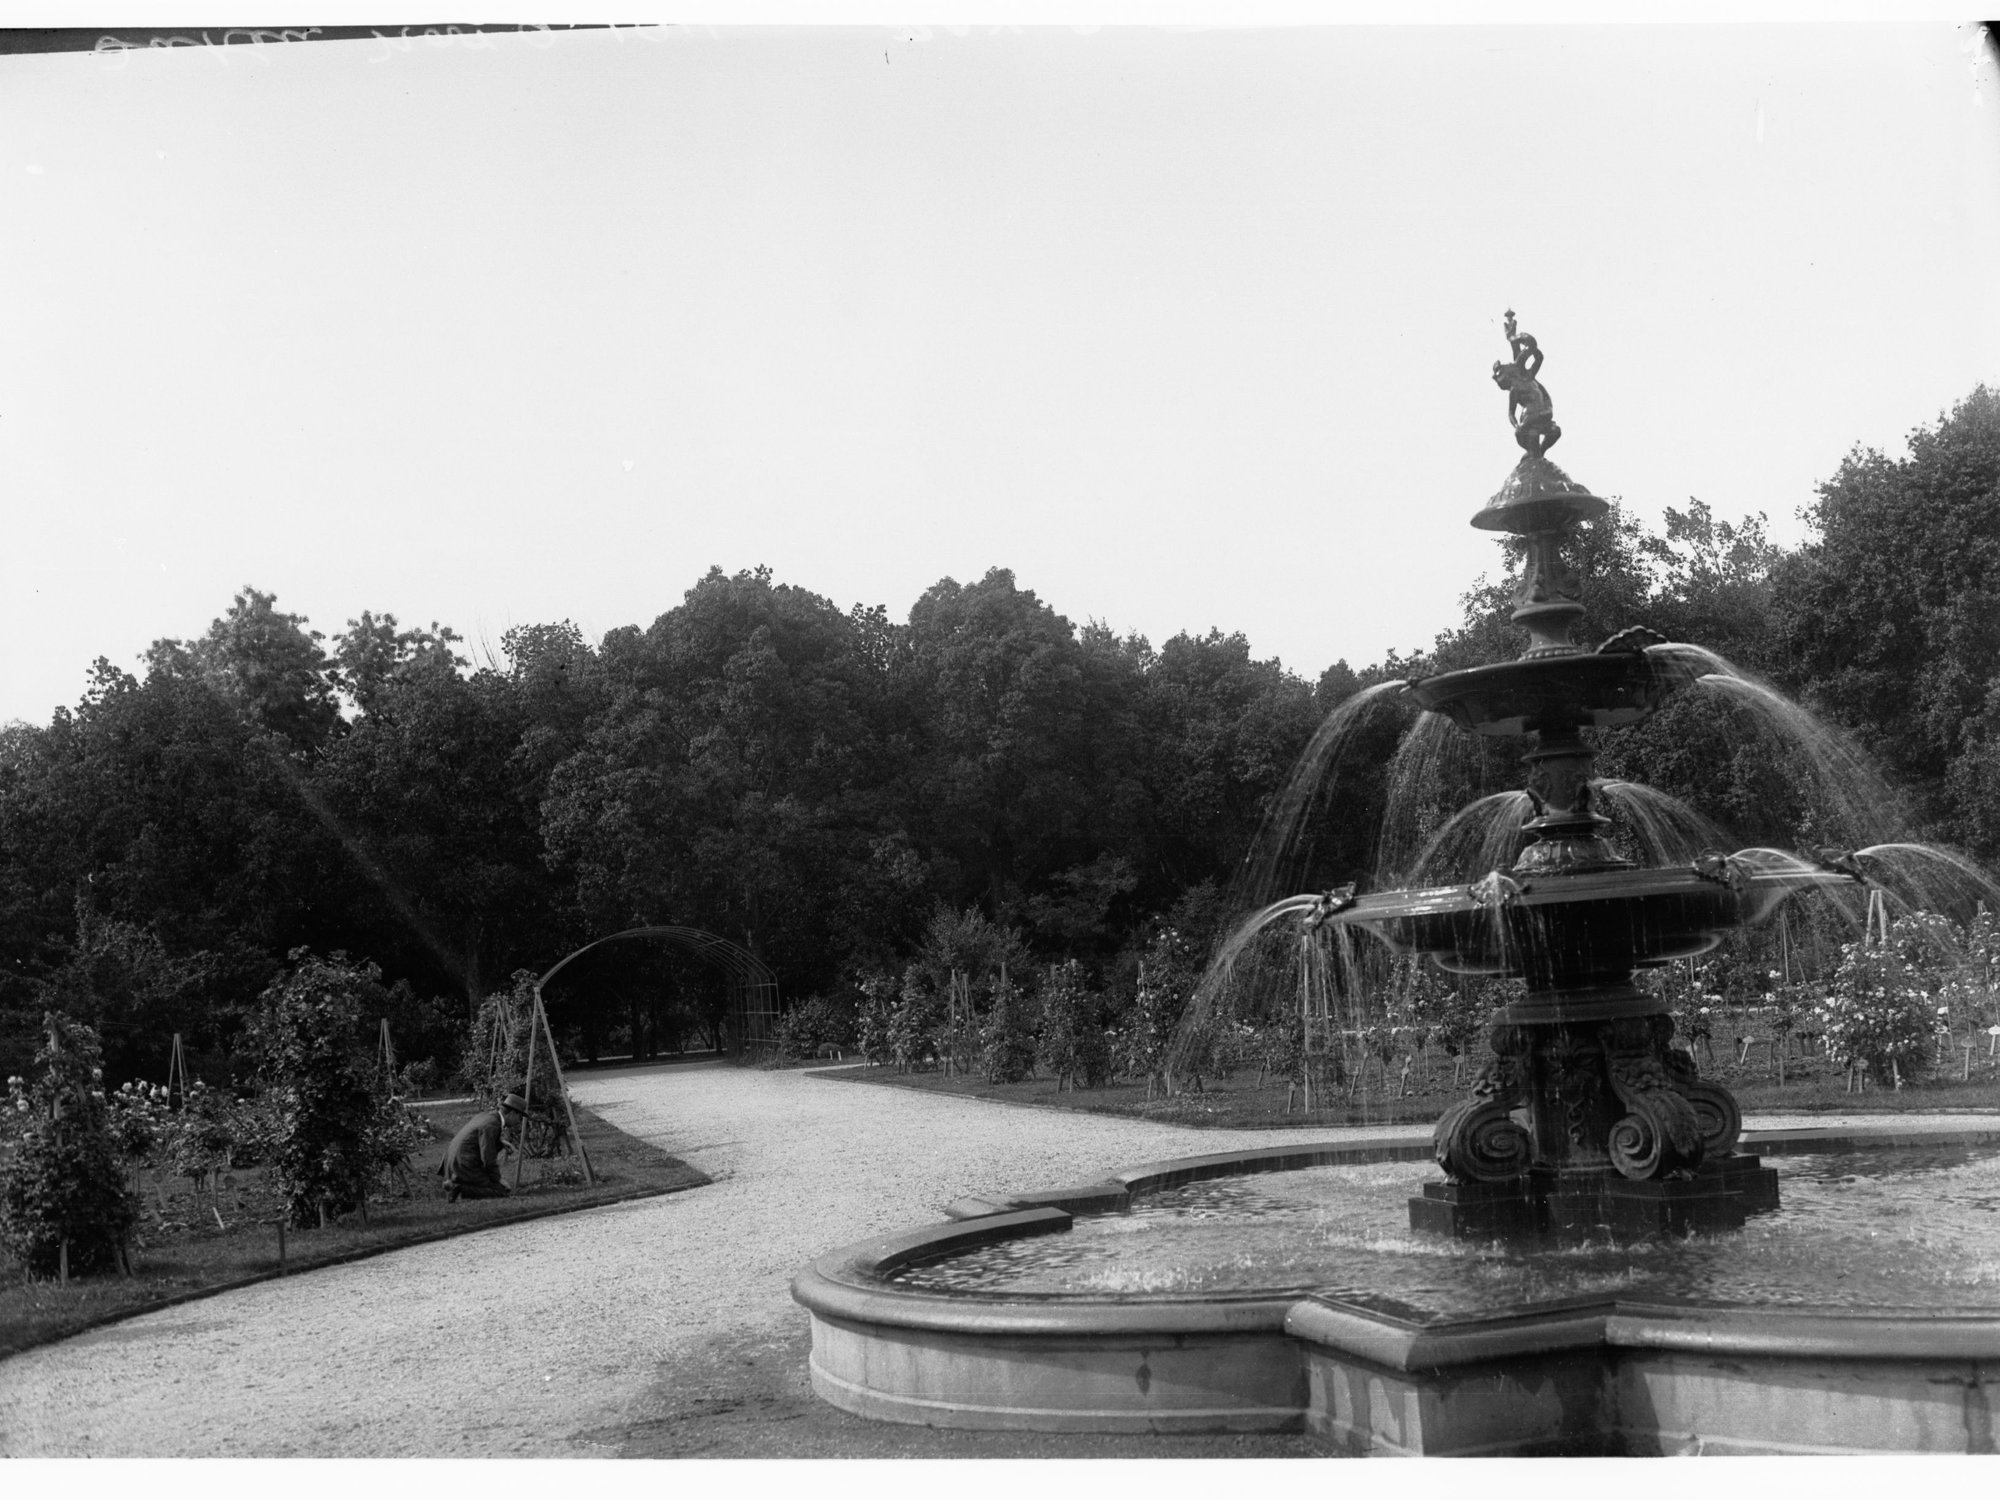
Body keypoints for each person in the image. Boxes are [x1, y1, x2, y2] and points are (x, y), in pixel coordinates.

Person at [439, 1093, 526, 1202]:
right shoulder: (492, 1125)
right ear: (512, 1113)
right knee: (502, 1191)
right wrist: (499, 1179)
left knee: (492, 1185)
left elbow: (477, 1139)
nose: (519, 1121)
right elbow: (488, 1159)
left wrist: (500, 1142)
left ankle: (457, 1183)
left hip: (452, 1161)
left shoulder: (487, 1116)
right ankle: (459, 1189)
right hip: (464, 1165)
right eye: (520, 1117)